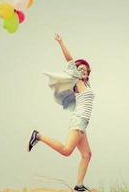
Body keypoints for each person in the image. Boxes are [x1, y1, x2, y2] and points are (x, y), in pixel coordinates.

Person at [28, 33, 95, 192]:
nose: (82, 70)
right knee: (66, 151)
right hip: (79, 122)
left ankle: (79, 186)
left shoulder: (87, 84)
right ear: (77, 74)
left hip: (82, 124)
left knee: (87, 155)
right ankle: (37, 136)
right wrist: (61, 42)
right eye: (80, 69)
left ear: (88, 72)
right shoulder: (78, 82)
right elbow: (69, 60)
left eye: (85, 69)